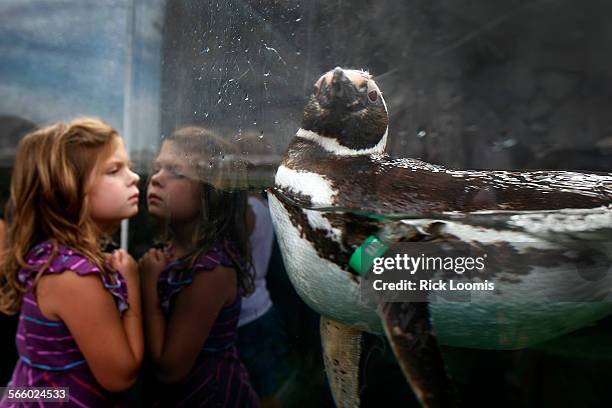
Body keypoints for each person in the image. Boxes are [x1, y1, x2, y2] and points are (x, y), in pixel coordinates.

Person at [0, 118, 144, 406]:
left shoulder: (53, 256)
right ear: (68, 189)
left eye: (128, 166)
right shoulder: (72, 276)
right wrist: (133, 285)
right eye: (114, 170)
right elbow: (121, 376)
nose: (135, 177)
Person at [140, 126, 259, 407]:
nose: (156, 179)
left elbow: (170, 369)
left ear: (211, 192)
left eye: (176, 172)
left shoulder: (211, 270)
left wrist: (147, 286)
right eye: (157, 168)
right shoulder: (173, 250)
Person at [236, 194, 290, 408]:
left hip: (247, 315)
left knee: (260, 394)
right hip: (260, 307)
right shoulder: (267, 206)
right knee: (263, 392)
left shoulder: (245, 210)